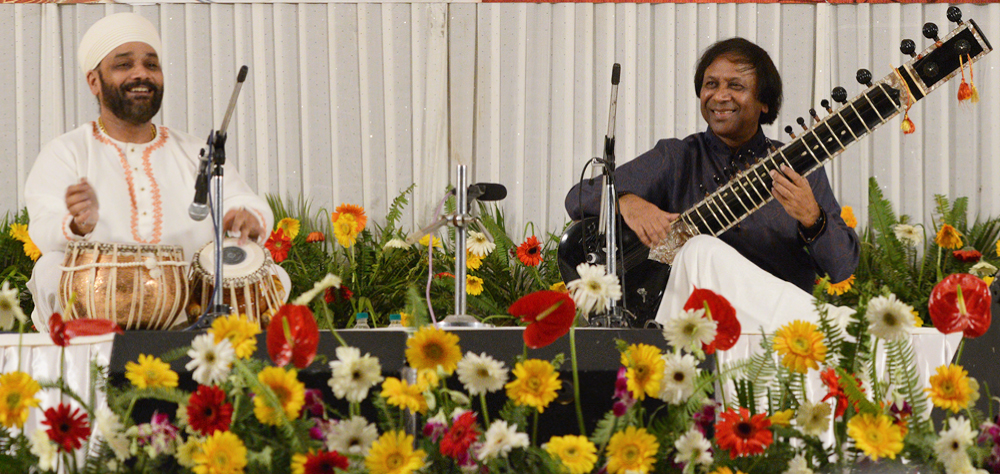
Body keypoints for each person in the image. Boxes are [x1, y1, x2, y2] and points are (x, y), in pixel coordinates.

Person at [566, 38, 859, 332]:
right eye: (711, 84)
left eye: (736, 86)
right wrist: (627, 203)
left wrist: (813, 218)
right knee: (700, 250)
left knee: (700, 249)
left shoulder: (797, 170)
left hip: (774, 336)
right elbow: (579, 196)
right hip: (694, 329)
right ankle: (840, 329)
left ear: (764, 102)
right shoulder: (676, 158)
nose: (719, 96)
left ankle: (835, 329)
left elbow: (842, 267)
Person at [25, 12, 280, 331]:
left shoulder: (195, 151)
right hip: (97, 303)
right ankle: (86, 356)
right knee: (50, 269)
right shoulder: (68, 152)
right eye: (123, 65)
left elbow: (241, 200)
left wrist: (248, 217)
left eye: (151, 64)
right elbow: (43, 226)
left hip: (189, 308)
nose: (141, 74)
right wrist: (76, 224)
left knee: (273, 272)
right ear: (94, 82)